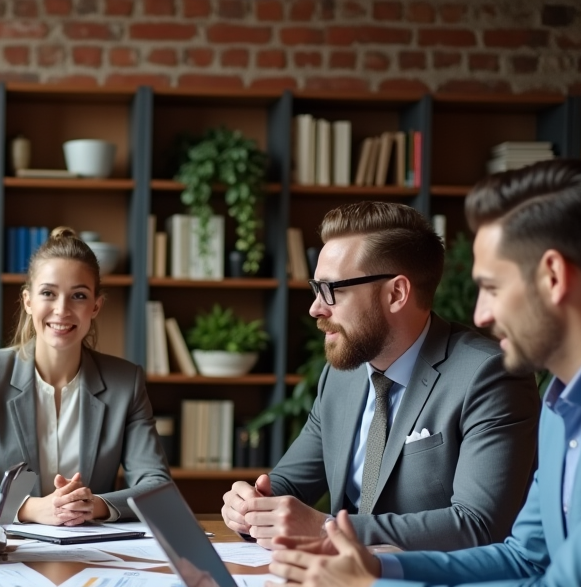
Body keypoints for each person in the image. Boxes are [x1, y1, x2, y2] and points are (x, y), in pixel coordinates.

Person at [264, 160, 581, 587]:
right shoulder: (559, 398)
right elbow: (524, 557)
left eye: (492, 288)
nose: (481, 314)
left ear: (552, 277)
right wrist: (376, 564)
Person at [221, 202, 540, 551]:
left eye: (333, 291)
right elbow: (290, 484)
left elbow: (479, 525)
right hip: (333, 583)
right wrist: (251, 505)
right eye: (316, 289)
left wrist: (329, 528)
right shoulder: (341, 376)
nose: (316, 308)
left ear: (396, 294)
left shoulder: (489, 375)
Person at [0, 227, 171, 524]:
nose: (62, 310)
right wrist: (28, 509)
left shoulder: (125, 382)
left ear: (95, 306)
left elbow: (158, 487)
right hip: (9, 551)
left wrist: (92, 504)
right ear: (28, 300)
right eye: (48, 293)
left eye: (79, 296)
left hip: (91, 550)